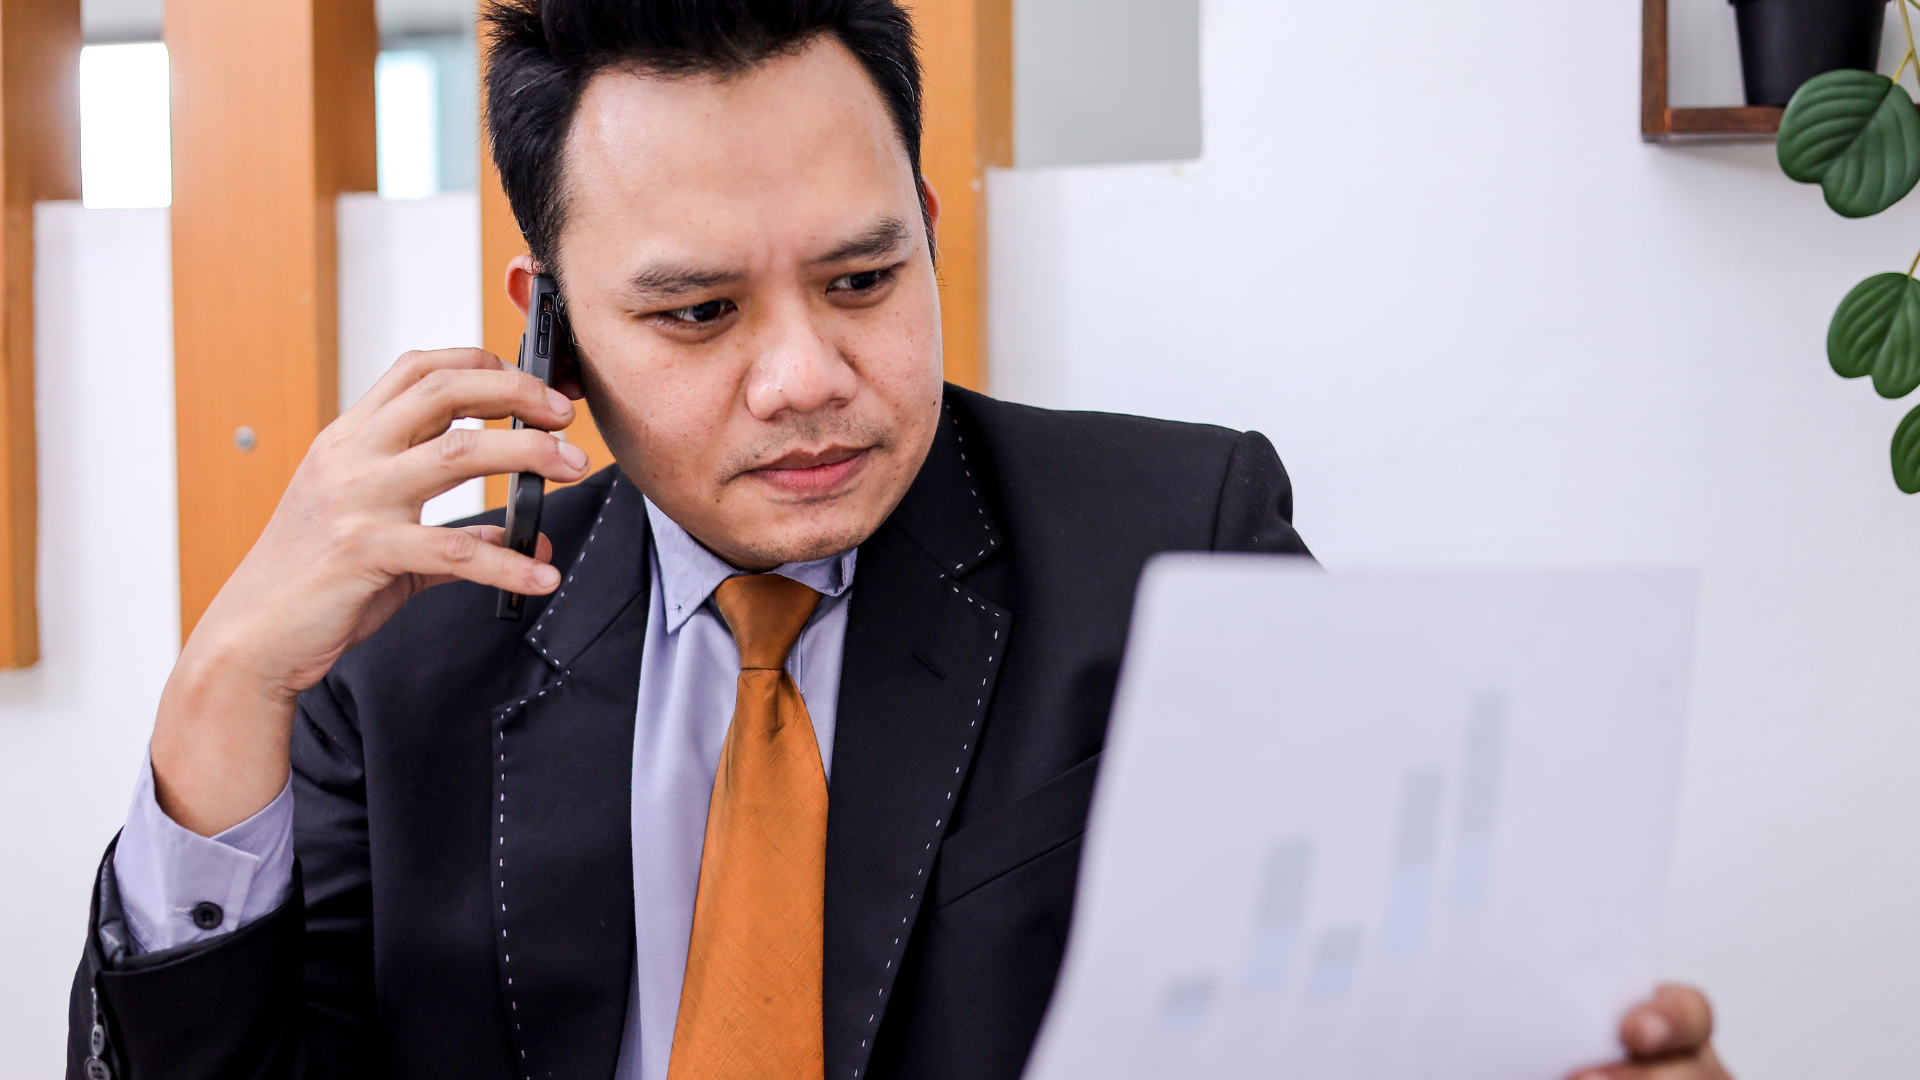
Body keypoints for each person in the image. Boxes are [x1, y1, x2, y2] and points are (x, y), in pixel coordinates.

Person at [66, 2, 1734, 1079]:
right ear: (551, 326)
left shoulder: (1174, 546)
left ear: (930, 236)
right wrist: (221, 691)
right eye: (698, 311)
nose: (807, 380)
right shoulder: (418, 657)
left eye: (863, 282)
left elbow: (1361, 1022)